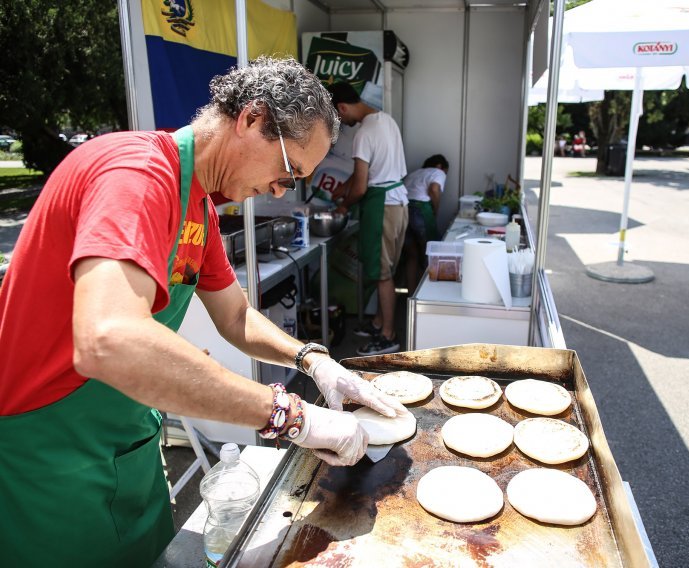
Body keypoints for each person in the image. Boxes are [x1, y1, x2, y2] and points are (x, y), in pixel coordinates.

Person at [0, 57, 407, 567]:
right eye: (288, 170)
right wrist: (290, 415)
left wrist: (312, 359)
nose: (282, 190)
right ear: (252, 118)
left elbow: (235, 315)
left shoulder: (198, 206)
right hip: (52, 459)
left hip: (128, 441)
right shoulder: (137, 173)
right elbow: (110, 337)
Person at [327, 81, 409, 356]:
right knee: (387, 268)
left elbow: (362, 188)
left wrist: (343, 205)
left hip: (381, 204)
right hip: (398, 201)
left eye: (340, 117)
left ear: (342, 107)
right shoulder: (386, 120)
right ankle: (378, 322)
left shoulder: (363, 133)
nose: (344, 122)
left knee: (382, 274)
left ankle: (388, 335)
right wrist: (345, 186)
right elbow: (367, 170)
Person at [402, 154, 449, 293]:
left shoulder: (414, 173)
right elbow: (434, 189)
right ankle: (431, 294)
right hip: (420, 211)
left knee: (412, 255)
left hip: (403, 211)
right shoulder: (438, 172)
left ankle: (411, 294)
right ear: (440, 166)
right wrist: (435, 210)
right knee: (433, 253)